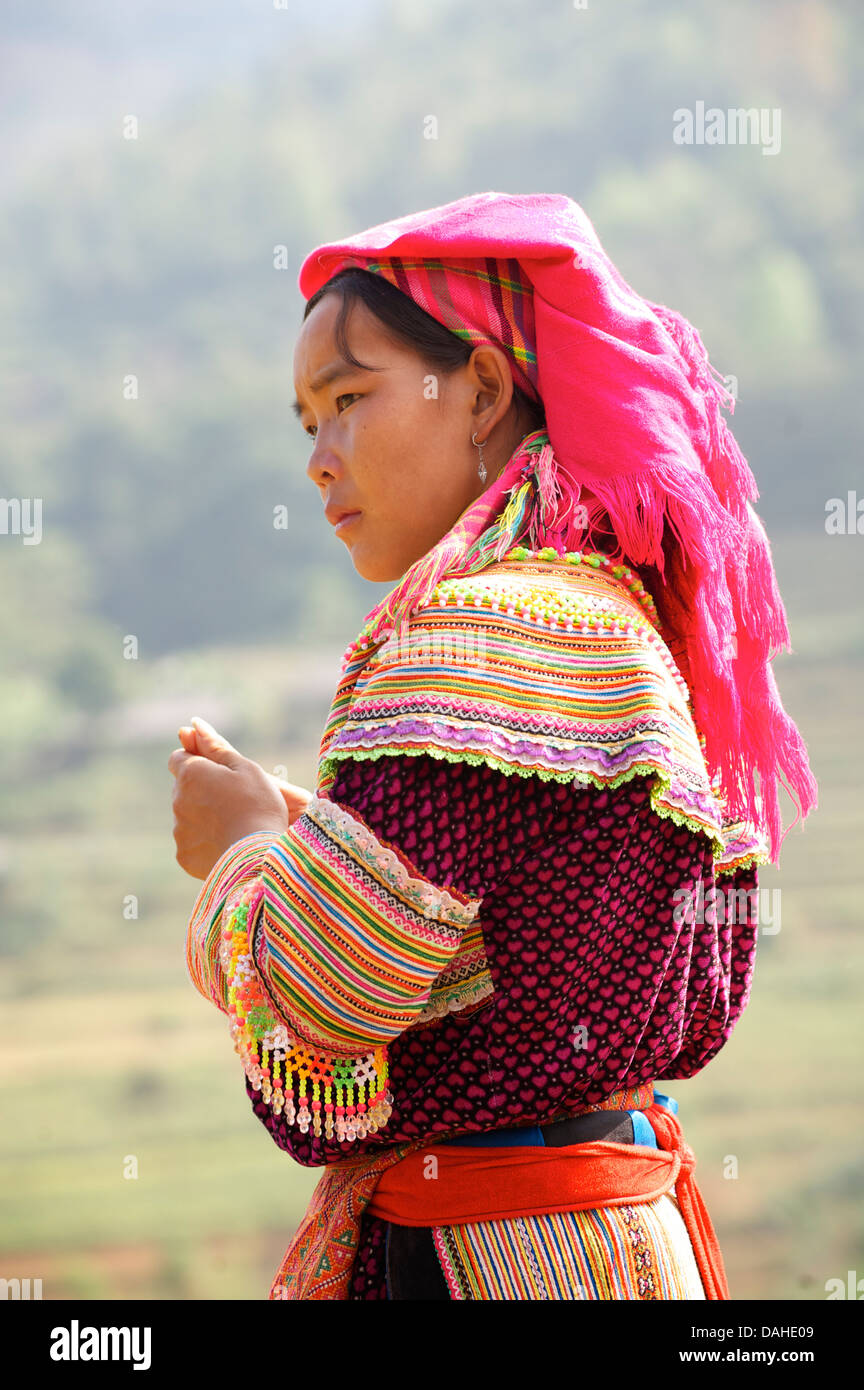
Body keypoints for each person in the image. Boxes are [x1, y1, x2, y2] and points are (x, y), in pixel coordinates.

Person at [170, 191, 817, 1300]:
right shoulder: (620, 620)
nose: (320, 457)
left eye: (349, 398)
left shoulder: (465, 637)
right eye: (306, 419)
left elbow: (329, 989)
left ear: (478, 388)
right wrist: (308, 837)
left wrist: (240, 851)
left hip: (485, 1261)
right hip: (618, 1244)